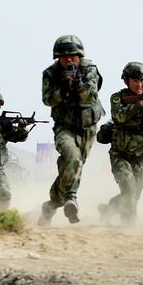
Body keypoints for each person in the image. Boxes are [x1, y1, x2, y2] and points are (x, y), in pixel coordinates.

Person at [40, 35, 104, 225]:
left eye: (73, 56)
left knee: (73, 168)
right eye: (64, 56)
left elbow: (91, 96)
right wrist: (64, 88)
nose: (69, 60)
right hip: (64, 128)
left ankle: (51, 206)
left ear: (80, 55)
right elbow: (47, 99)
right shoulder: (51, 73)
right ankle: (71, 198)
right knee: (72, 158)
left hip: (87, 129)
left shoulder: (89, 69)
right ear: (57, 57)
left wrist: (78, 85)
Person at [99, 62, 143, 225]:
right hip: (120, 154)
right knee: (129, 189)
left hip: (142, 156)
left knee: (134, 194)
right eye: (135, 81)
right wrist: (141, 104)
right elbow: (119, 116)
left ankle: (109, 209)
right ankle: (129, 227)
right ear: (126, 81)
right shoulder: (118, 98)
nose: (139, 84)